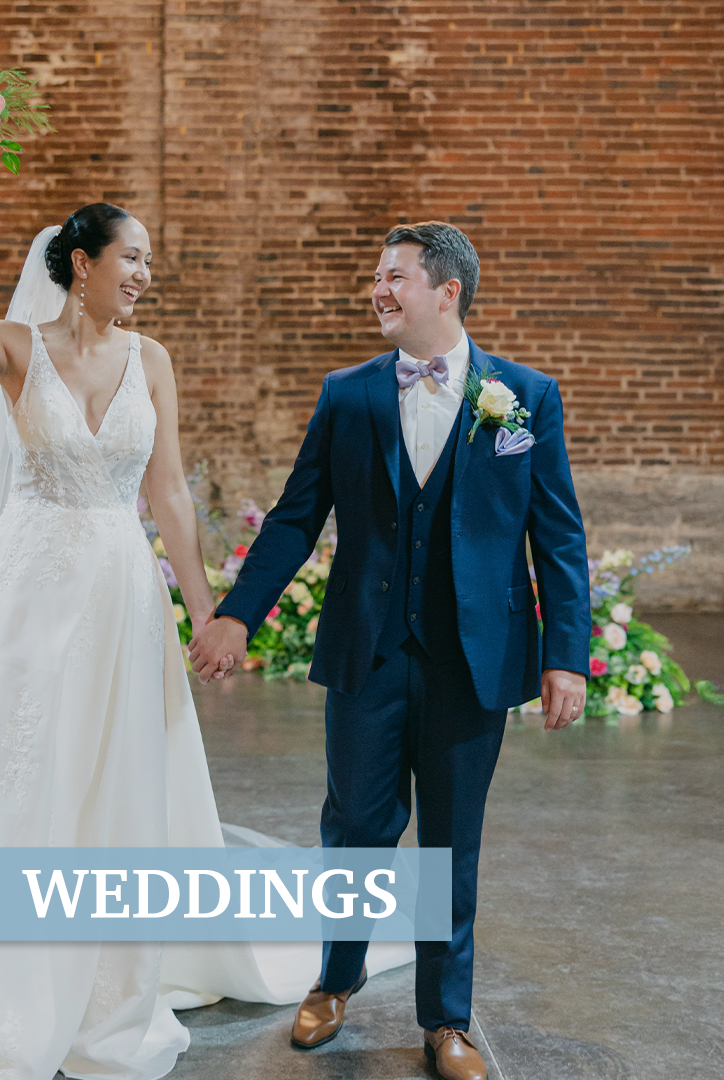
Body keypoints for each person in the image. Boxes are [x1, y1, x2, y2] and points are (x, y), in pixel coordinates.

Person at [0, 129, 413, 1079]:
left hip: (118, 591)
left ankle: (104, 998)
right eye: (132, 256)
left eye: (149, 261)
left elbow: (170, 494)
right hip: (28, 590)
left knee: (116, 786)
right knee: (24, 782)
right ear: (83, 264)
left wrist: (208, 610)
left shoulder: (154, 360)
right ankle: (5, 1008)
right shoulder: (17, 349)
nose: (145, 273)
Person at [189, 222, 591, 1080]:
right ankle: (336, 981)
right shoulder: (349, 394)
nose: (378, 289)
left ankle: (446, 1020)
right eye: (378, 276)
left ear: (446, 291)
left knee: (452, 839)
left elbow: (557, 536)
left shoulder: (525, 396)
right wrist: (237, 614)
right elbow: (298, 515)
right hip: (368, 651)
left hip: (473, 657)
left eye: (394, 276)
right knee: (358, 828)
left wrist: (567, 655)